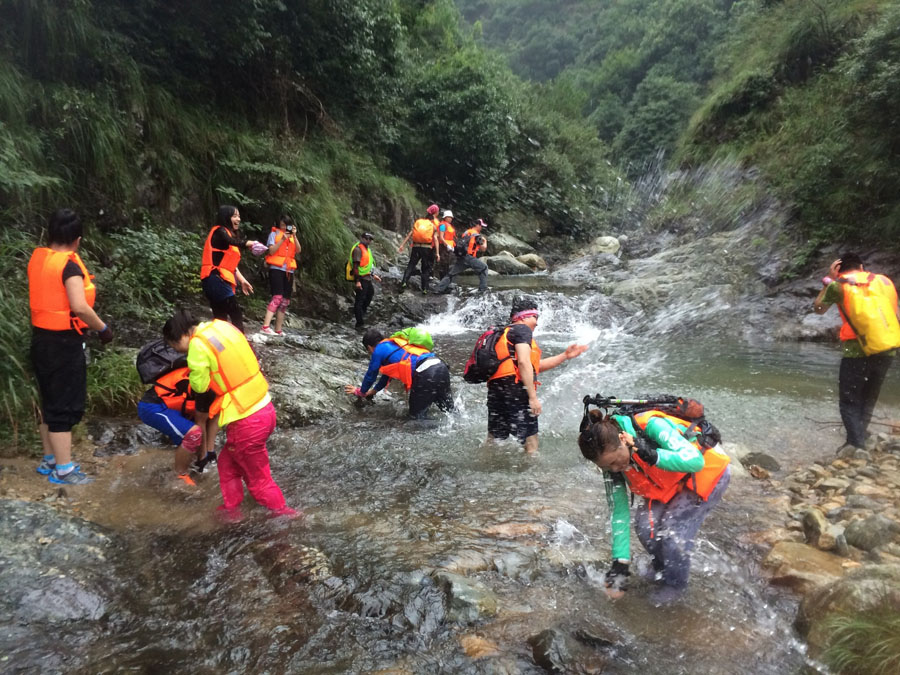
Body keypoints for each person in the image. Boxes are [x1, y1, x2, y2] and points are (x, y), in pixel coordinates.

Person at [578, 404, 731, 604]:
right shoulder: (611, 466)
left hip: (706, 474)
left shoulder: (651, 425)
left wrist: (650, 453)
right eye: (606, 467)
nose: (615, 469)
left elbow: (694, 461)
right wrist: (620, 564)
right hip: (672, 481)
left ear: (624, 440)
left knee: (672, 532)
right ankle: (663, 568)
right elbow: (619, 513)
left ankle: (675, 585)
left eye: (616, 461)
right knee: (644, 527)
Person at [163, 310, 296, 520]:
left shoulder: (197, 344)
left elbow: (200, 385)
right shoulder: (222, 326)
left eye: (174, 346)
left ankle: (286, 516)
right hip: (264, 408)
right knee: (226, 462)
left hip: (246, 419)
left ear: (180, 336)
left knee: (258, 480)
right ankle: (232, 510)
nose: (177, 351)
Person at [28, 208, 112, 485]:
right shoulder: (70, 267)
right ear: (77, 239)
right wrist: (102, 328)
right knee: (63, 406)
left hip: (41, 339)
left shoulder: (39, 258)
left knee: (49, 400)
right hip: (63, 344)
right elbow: (79, 307)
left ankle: (49, 459)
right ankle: (63, 470)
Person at [813, 253, 900, 454]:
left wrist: (828, 281)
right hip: (887, 347)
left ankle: (856, 445)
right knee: (869, 396)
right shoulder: (883, 281)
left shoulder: (838, 285)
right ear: (861, 267)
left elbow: (818, 308)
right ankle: (860, 435)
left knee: (849, 399)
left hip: (856, 351)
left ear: (838, 269)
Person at [485, 297, 588, 454]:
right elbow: (524, 364)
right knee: (531, 440)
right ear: (523, 317)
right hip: (516, 389)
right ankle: (531, 474)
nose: (537, 323)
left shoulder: (504, 334)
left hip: (497, 389)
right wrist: (532, 398)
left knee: (494, 439)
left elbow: (533, 367)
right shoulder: (522, 330)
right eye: (535, 317)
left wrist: (565, 356)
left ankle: (487, 465)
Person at [136, 339, 219, 486]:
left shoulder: (213, 379)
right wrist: (204, 456)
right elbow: (201, 421)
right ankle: (180, 476)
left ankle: (193, 463)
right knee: (193, 434)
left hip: (171, 407)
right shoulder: (202, 380)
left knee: (196, 437)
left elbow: (211, 417)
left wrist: (209, 452)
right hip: (153, 407)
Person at [343, 328, 454, 419]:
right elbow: (386, 377)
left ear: (369, 347)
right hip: (440, 367)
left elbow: (371, 374)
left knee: (416, 418)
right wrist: (373, 391)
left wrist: (360, 392)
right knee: (450, 411)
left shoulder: (378, 350)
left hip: (426, 373)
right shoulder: (395, 345)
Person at [199, 205, 261, 333]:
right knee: (235, 313)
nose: (238, 219)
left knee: (220, 317)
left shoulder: (225, 233)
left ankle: (221, 346)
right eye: (234, 216)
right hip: (216, 279)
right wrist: (248, 243)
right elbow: (232, 241)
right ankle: (241, 344)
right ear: (226, 217)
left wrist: (242, 280)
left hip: (214, 279)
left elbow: (230, 264)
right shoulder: (220, 232)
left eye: (239, 216)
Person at [261, 215, 300, 336]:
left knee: (285, 301)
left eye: (286, 225)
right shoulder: (274, 234)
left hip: (288, 270)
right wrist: (283, 239)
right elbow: (271, 251)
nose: (284, 227)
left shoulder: (292, 236)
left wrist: (294, 235)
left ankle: (278, 329)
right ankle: (265, 326)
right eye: (282, 224)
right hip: (276, 269)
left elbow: (298, 250)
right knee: (277, 297)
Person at [435, 218, 489, 294]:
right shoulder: (477, 235)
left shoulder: (466, 232)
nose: (481, 228)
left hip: (461, 256)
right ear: (477, 225)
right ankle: (482, 289)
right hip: (469, 258)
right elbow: (483, 249)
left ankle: (439, 289)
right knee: (484, 268)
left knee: (451, 274)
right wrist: (485, 241)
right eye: (481, 226)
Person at [398, 204, 441, 293]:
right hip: (426, 248)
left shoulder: (419, 222)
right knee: (425, 268)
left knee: (411, 264)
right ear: (435, 213)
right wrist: (437, 253)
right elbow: (436, 239)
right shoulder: (433, 225)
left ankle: (404, 282)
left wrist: (402, 245)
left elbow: (410, 234)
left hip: (416, 246)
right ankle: (424, 288)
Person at [347, 232, 381, 329]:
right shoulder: (358, 249)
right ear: (362, 238)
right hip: (361, 278)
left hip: (367, 277)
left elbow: (366, 265)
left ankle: (361, 314)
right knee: (359, 300)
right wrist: (357, 281)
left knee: (370, 294)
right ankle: (359, 323)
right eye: (367, 238)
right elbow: (356, 266)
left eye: (370, 239)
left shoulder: (367, 249)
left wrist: (373, 275)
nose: (368, 240)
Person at [434, 209, 456, 281]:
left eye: (451, 217)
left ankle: (446, 280)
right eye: (449, 217)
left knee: (447, 264)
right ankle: (442, 280)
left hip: (449, 248)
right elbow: (441, 237)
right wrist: (447, 245)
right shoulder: (443, 225)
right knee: (443, 264)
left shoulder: (449, 225)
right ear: (445, 217)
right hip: (443, 247)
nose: (451, 219)